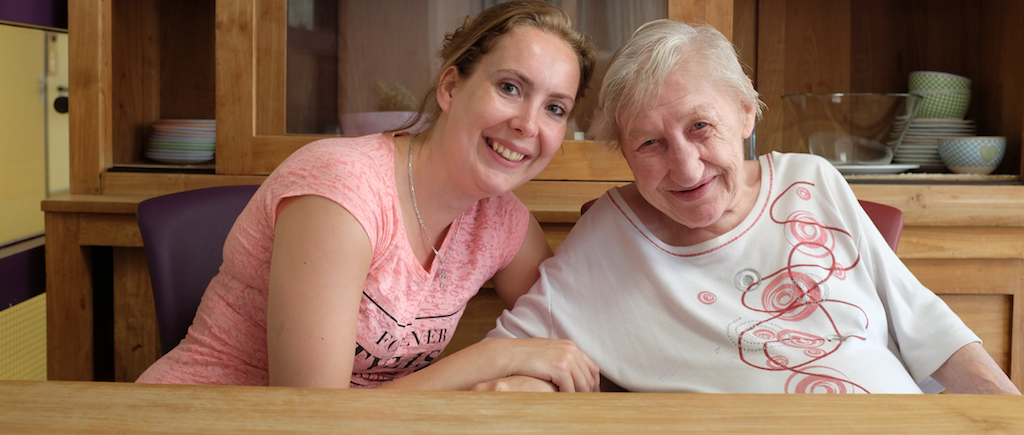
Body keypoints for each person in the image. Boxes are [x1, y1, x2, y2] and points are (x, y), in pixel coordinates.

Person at [483, 19, 1021, 394]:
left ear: (745, 115)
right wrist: (530, 386)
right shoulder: (606, 239)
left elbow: (924, 323)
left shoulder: (812, 180)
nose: (687, 168)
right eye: (649, 143)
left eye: (701, 127)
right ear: (623, 152)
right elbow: (511, 357)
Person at [136, 0, 601, 392]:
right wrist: (494, 360)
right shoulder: (343, 188)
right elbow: (315, 415)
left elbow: (579, 342)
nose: (528, 124)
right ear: (451, 87)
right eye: (509, 87)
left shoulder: (501, 221)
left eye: (555, 109)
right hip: (203, 415)